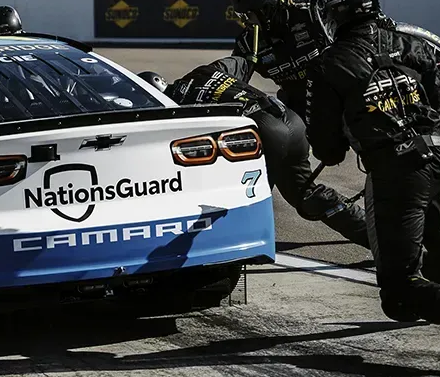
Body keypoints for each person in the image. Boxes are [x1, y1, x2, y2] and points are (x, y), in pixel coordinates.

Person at [307, 0, 440, 359]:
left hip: (398, 173)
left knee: (398, 289)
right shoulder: (413, 44)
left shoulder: (328, 65)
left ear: (337, 13)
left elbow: (328, 150)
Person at [139, 58, 370, 248]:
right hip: (291, 121)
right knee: (305, 194)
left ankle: (233, 248)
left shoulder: (175, 111)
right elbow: (244, 61)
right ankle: (373, 236)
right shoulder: (204, 71)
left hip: (264, 134)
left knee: (238, 195)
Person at [231, 0, 329, 121]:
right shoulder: (247, 42)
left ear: (264, 11)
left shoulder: (310, 14)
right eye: (240, 16)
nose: (244, 22)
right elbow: (234, 80)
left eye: (247, 15)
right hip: (295, 102)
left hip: (331, 91)